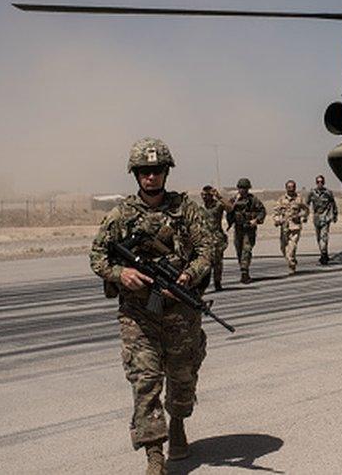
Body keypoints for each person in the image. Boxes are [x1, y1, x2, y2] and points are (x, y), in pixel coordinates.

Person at [89, 138, 217, 474]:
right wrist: (122, 272)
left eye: (157, 170)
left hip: (181, 313)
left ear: (166, 172)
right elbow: (97, 257)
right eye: (145, 171)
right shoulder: (121, 215)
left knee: (183, 378)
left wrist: (189, 275)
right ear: (136, 174)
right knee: (145, 381)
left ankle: (177, 423)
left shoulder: (186, 210)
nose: (151, 177)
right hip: (138, 315)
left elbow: (208, 249)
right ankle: (154, 455)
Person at [226, 178, 266, 284]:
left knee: (246, 250)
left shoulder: (253, 200)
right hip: (238, 229)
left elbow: (262, 211)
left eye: (245, 188)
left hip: (249, 229)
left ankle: (245, 272)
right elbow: (228, 211)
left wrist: (256, 220)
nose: (242, 190)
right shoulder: (233, 200)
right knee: (239, 250)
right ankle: (243, 269)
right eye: (240, 188)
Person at [273, 179, 309, 275]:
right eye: (289, 187)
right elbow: (276, 211)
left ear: (295, 188)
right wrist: (277, 220)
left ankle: (291, 263)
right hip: (284, 226)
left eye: (292, 187)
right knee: (283, 247)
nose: (291, 189)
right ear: (286, 188)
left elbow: (305, 210)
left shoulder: (299, 199)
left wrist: (301, 216)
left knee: (292, 247)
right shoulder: (281, 199)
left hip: (295, 226)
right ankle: (291, 261)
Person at [200, 185, 233, 291]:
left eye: (207, 195)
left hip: (217, 238)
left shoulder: (218, 205)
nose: (204, 197)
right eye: (203, 195)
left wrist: (219, 196)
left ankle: (217, 282)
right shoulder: (200, 208)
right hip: (204, 239)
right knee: (205, 262)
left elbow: (230, 208)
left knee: (218, 262)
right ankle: (203, 284)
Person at [306, 174, 338, 265]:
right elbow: (306, 204)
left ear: (324, 182)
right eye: (318, 182)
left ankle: (323, 254)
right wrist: (305, 215)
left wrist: (335, 215)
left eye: (321, 182)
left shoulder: (328, 192)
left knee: (324, 236)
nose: (320, 183)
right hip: (316, 218)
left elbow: (333, 204)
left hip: (325, 217)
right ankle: (324, 253)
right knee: (318, 237)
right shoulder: (312, 193)